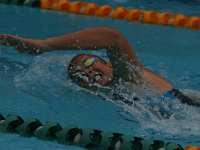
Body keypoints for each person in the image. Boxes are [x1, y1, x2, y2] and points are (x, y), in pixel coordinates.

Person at [0, 27, 199, 107]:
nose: (85, 71)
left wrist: (45, 45)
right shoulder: (115, 92)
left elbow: (113, 38)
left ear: (110, 65)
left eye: (87, 62)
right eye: (79, 74)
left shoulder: (128, 76)